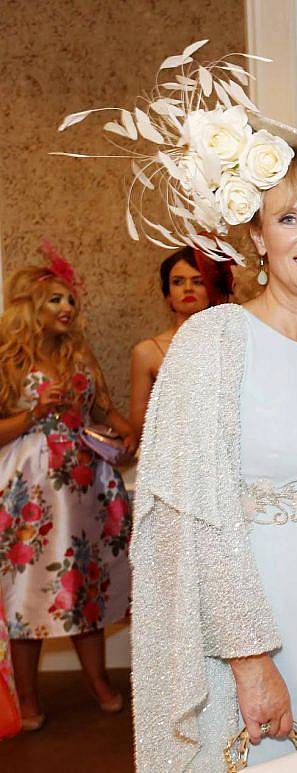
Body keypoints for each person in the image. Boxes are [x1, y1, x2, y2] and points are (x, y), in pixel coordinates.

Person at [56, 41, 297, 770]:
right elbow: (194, 511)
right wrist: (251, 658)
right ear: (257, 235)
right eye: (289, 219)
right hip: (240, 624)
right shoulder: (215, 342)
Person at [0, 243, 135, 732]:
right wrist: (34, 413)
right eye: (56, 300)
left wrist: (129, 435)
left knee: (86, 587)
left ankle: (98, 682)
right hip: (31, 494)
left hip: (85, 489)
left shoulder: (82, 355)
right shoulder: (8, 360)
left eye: (70, 301)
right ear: (31, 309)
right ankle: (28, 698)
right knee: (26, 593)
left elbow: (107, 413)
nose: (66, 309)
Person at [128, 247, 233, 435]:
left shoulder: (232, 345)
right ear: (167, 295)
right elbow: (139, 427)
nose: (187, 288)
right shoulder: (147, 352)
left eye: (198, 281)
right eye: (177, 282)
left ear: (212, 290)